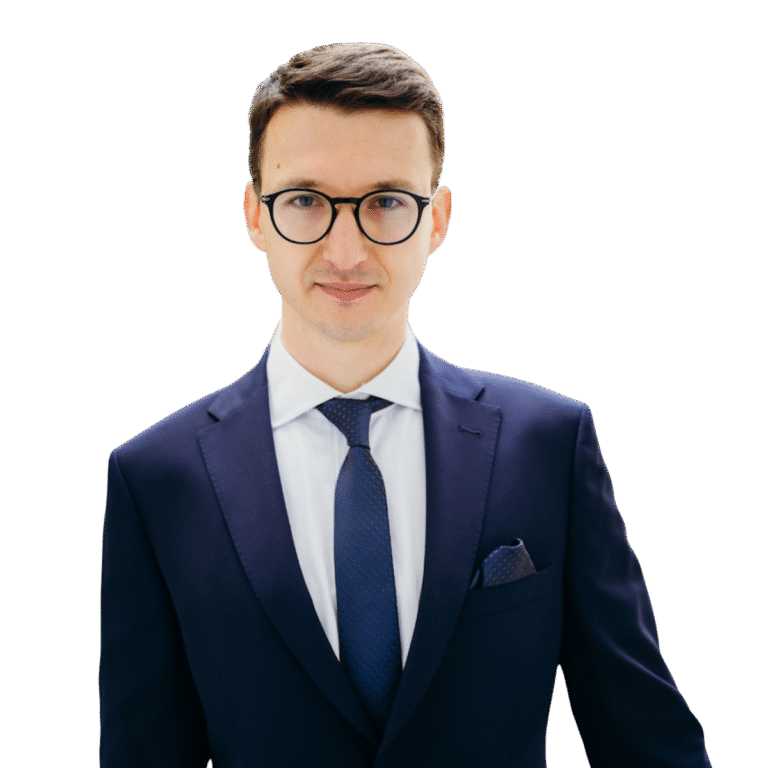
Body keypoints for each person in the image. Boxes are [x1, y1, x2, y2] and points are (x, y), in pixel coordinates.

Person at [99, 43, 712, 767]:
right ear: (254, 215)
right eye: (305, 201)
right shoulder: (158, 480)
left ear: (438, 219)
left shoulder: (548, 444)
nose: (347, 251)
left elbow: (646, 739)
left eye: (387, 202)